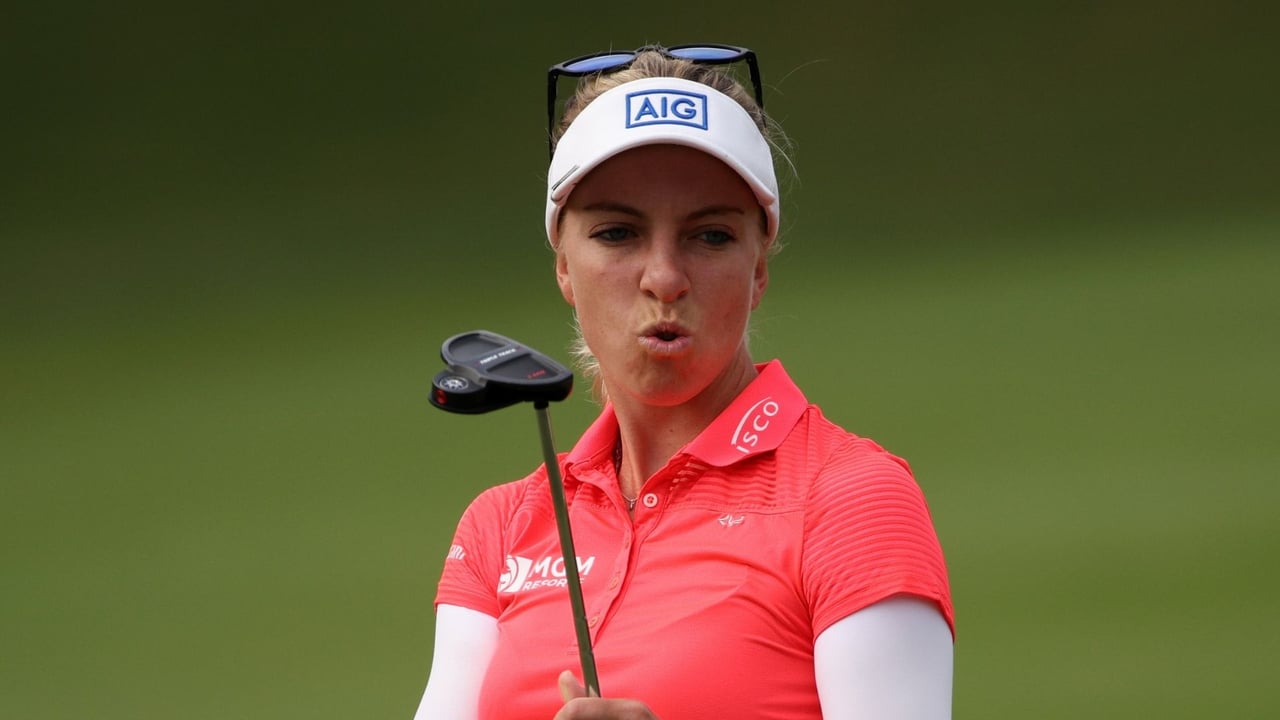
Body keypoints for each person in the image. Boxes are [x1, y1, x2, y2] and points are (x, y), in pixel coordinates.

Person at [414, 44, 954, 720]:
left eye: (711, 236)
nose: (664, 278)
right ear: (563, 267)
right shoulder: (503, 525)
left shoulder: (851, 502)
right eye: (617, 233)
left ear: (759, 268)